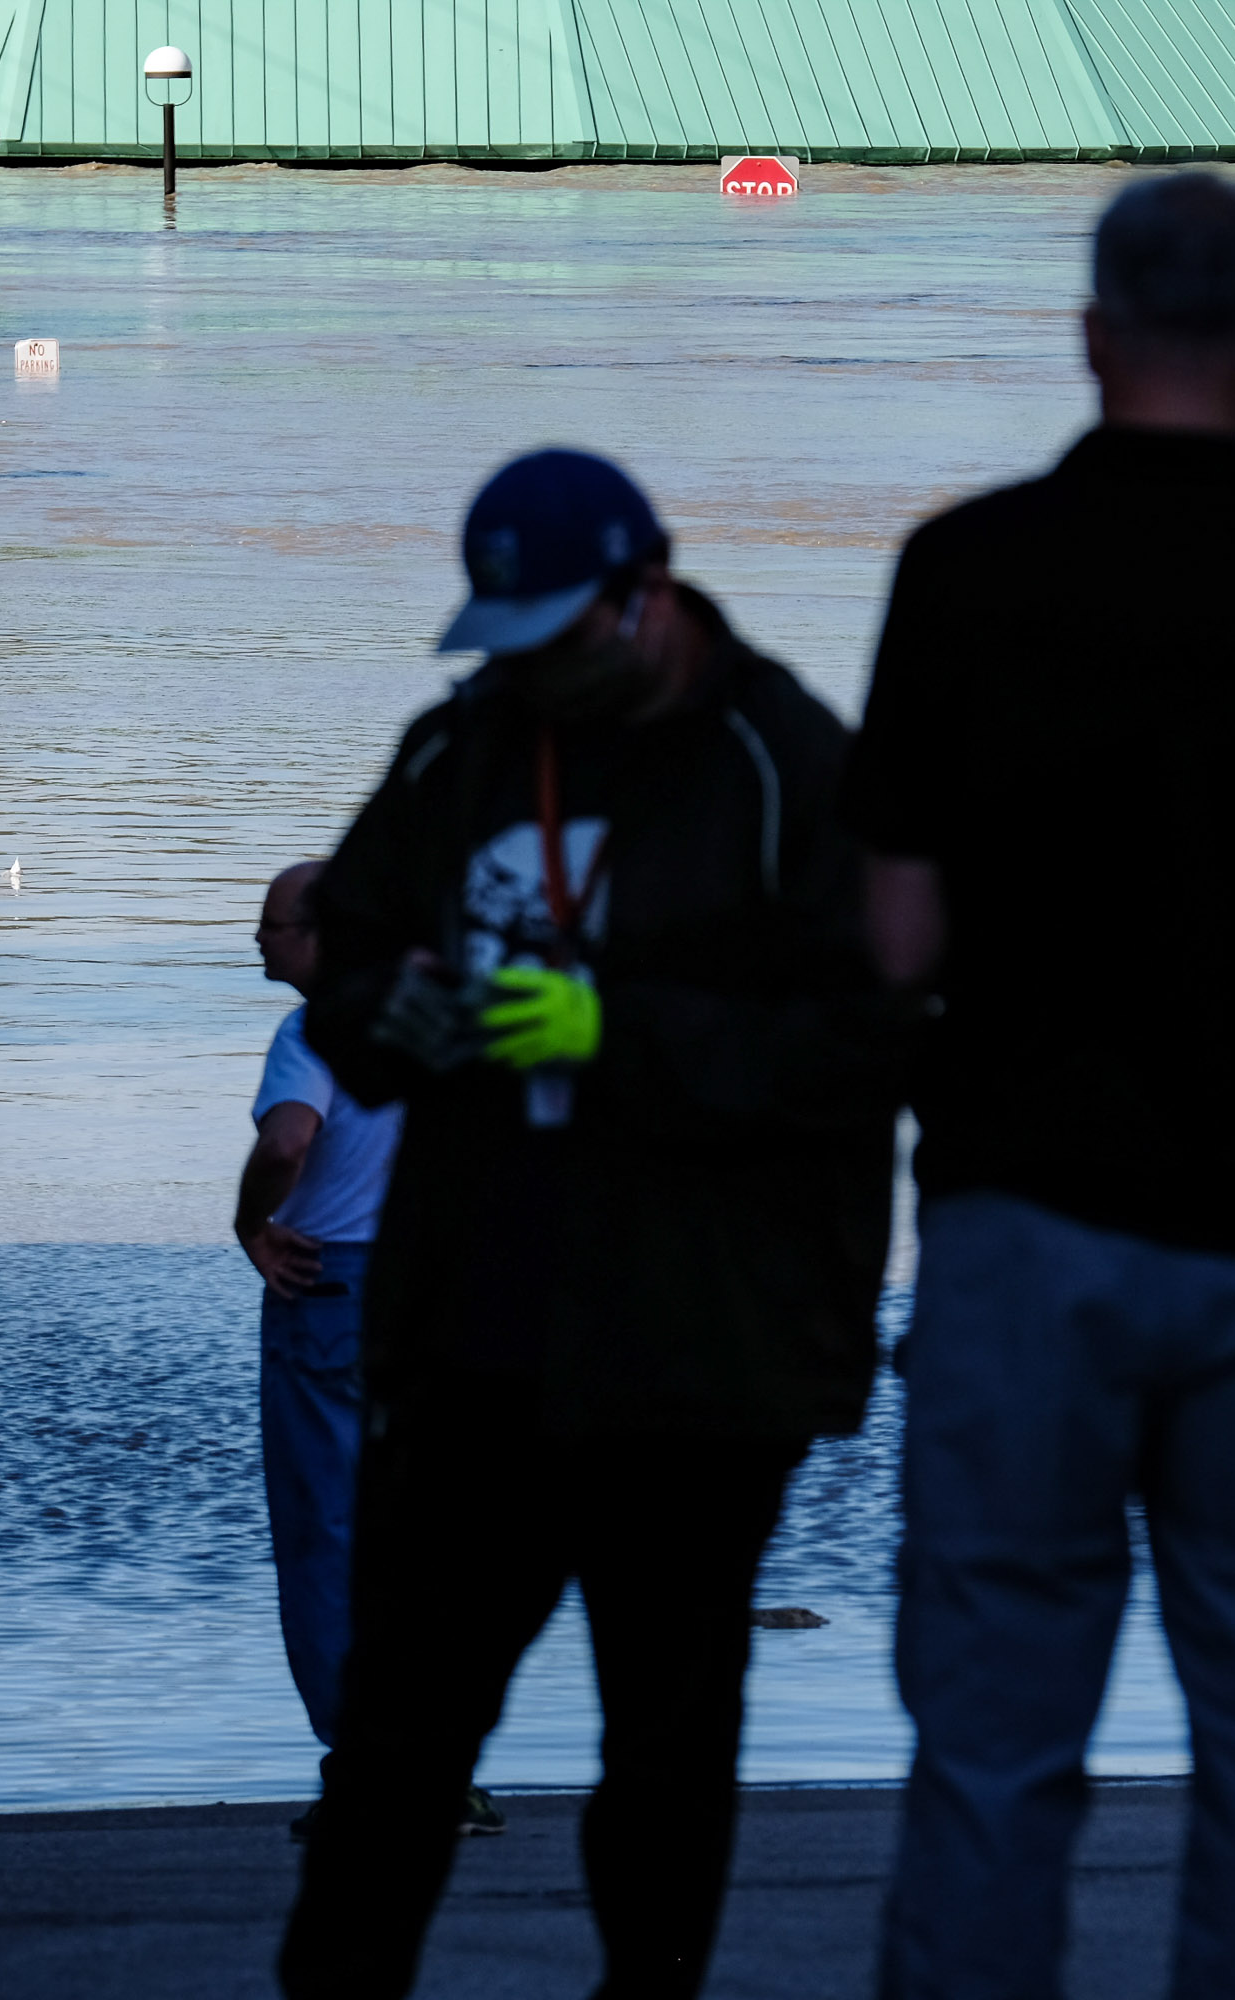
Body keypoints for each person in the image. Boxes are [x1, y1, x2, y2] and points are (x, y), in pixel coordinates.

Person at [844, 172, 1235, 2000]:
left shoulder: (961, 574)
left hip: (1020, 1218)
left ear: (1090, 333)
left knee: (989, 1745)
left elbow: (896, 941)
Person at [273, 449, 905, 1998]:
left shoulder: (785, 760)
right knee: (402, 1733)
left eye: (557, 637)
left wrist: (614, 1032)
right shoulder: (468, 743)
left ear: (645, 598)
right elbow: (339, 938)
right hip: (474, 1327)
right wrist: (385, 1014)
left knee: (669, 1735)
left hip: (699, 1355)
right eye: (510, 642)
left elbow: (872, 1043)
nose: (532, 673)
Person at [237, 860, 495, 1838]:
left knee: (327, 1533)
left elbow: (289, 1144)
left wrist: (248, 1221)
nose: (258, 939)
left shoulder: (315, 1030)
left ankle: (369, 1766)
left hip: (332, 1287)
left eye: (272, 924)